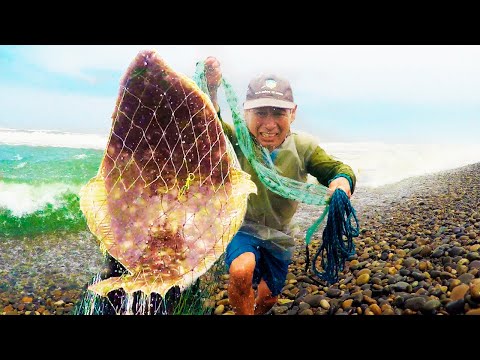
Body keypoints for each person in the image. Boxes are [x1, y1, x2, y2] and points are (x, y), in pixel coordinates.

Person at [204, 56, 356, 315]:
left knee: (268, 300)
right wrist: (212, 88)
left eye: (278, 113)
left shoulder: (303, 147)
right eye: (260, 113)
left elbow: (336, 170)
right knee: (241, 270)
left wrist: (341, 183)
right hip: (241, 226)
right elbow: (209, 123)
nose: (269, 123)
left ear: (293, 113)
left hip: (280, 234)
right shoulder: (236, 142)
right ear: (245, 112)